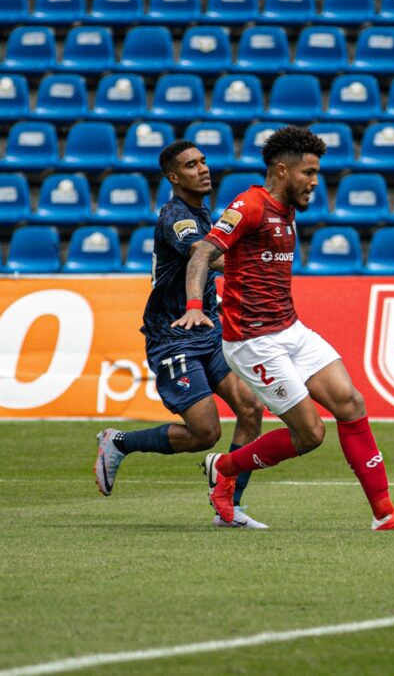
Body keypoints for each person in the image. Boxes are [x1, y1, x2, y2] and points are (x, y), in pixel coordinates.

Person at [172, 126, 394, 532]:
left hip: (289, 329)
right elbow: (203, 252)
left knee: (351, 403)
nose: (315, 182)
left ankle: (385, 514)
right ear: (281, 170)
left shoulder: (286, 209)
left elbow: (245, 262)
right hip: (252, 341)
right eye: (308, 173)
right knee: (310, 435)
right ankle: (224, 467)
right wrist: (193, 306)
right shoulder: (250, 205)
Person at [94, 140, 268, 529]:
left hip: (208, 328)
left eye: (204, 161)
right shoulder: (177, 217)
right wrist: (260, 260)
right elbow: (202, 255)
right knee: (205, 433)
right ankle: (118, 443)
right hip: (174, 334)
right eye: (191, 165)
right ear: (174, 177)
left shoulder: (202, 212)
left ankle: (229, 506)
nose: (203, 168)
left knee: (251, 409)